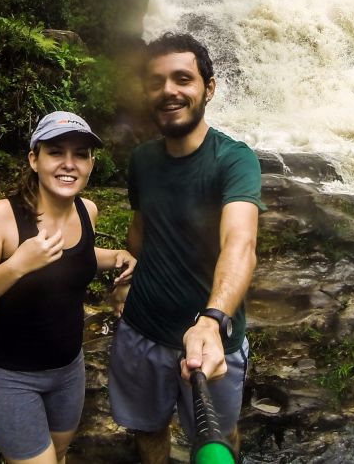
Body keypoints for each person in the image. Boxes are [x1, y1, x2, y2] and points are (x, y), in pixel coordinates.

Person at [108, 33, 264, 464]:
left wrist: (212, 321)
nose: (168, 91)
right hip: (141, 331)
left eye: (182, 79)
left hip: (213, 341)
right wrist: (127, 279)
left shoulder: (234, 160)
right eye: (156, 82)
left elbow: (240, 243)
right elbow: (141, 228)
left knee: (219, 436)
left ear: (208, 88)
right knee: (147, 430)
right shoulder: (142, 160)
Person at [0, 111, 137, 464]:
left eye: (80, 154)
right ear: (34, 159)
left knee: (59, 453)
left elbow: (75, 256)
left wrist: (116, 256)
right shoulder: (3, 217)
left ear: (91, 164)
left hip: (68, 370)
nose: (69, 164)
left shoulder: (87, 210)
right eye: (56, 152)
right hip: (10, 377)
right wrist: (18, 264)